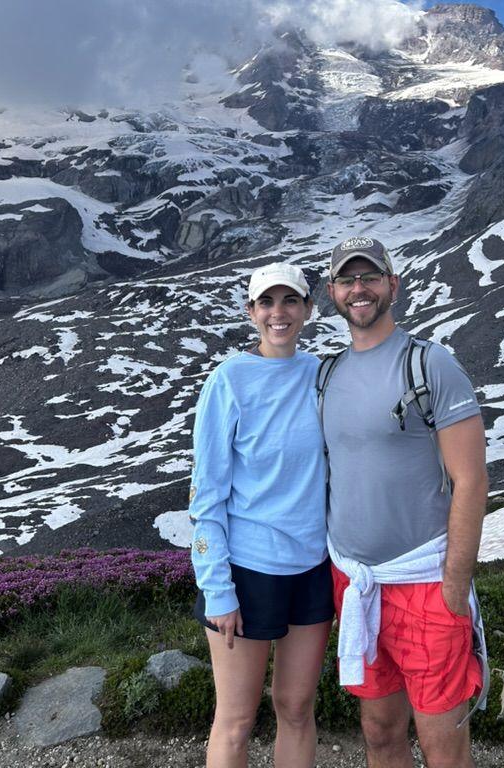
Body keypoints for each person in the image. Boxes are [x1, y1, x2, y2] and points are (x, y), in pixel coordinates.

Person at [319, 236, 489, 768]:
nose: (359, 289)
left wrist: (454, 587)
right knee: (379, 732)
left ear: (392, 285)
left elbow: (471, 480)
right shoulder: (327, 374)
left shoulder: (430, 364)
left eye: (370, 277)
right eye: (348, 279)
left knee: (443, 746)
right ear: (333, 292)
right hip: (356, 583)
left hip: (424, 582)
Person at [188, 262, 333, 768]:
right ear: (251, 312)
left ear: (308, 309)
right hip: (247, 572)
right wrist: (217, 588)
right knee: (236, 720)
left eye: (290, 300)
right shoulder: (229, 380)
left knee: (296, 708)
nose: (279, 313)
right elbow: (206, 497)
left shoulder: (321, 376)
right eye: (267, 302)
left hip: (312, 568)